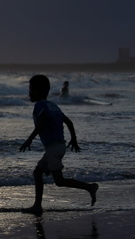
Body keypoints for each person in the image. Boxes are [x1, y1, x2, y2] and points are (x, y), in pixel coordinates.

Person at [19, 74, 98, 215]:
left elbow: (42, 123)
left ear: (38, 90)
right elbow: (69, 122)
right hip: (57, 147)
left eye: (31, 89)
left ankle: (90, 187)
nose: (29, 93)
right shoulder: (53, 105)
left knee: (60, 181)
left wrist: (29, 139)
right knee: (37, 172)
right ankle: (37, 206)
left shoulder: (40, 105)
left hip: (53, 149)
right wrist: (74, 139)